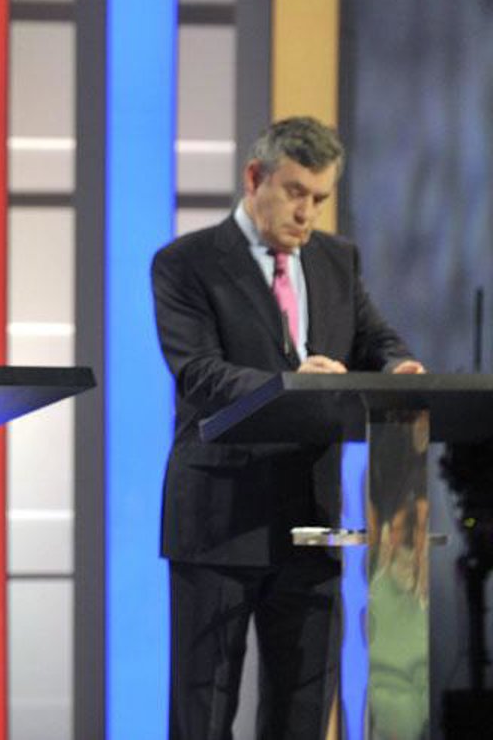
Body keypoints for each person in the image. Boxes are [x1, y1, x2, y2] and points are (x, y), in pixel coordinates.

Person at [150, 116, 425, 740]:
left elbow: (375, 337)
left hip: (311, 518)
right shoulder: (186, 263)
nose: (307, 213)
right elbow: (199, 373)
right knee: (203, 712)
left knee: (302, 711)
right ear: (255, 178)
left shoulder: (336, 259)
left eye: (319, 199)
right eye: (296, 192)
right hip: (219, 519)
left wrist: (398, 366)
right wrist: (291, 382)